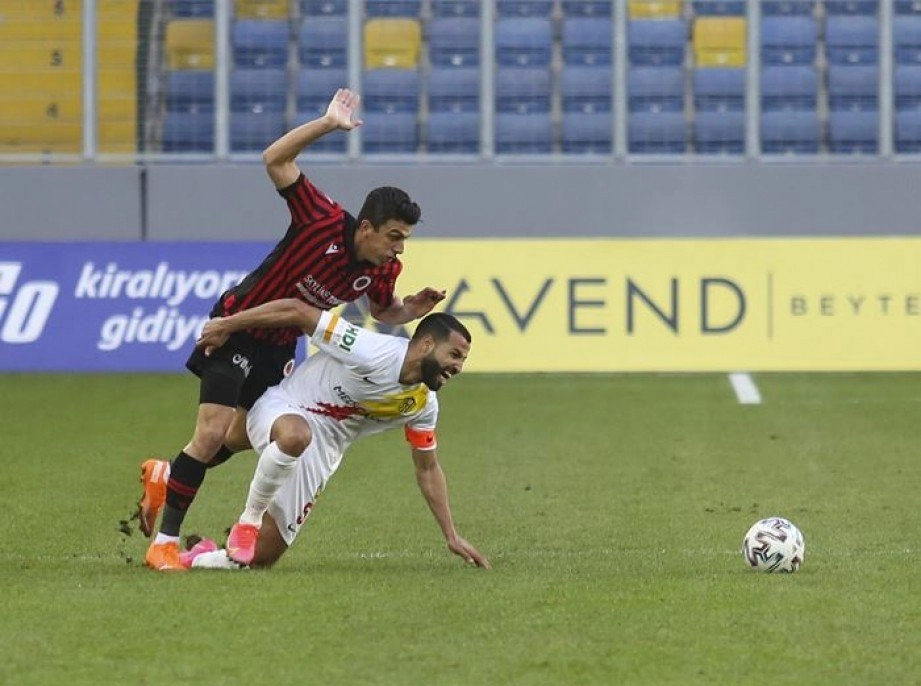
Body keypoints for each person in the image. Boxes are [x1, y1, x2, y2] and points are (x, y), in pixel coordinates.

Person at [141, 88, 446, 572]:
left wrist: (409, 309)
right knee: (212, 431)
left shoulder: (384, 268)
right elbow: (275, 159)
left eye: (405, 240)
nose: (399, 249)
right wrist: (327, 123)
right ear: (365, 227)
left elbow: (383, 311)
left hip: (281, 345)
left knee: (238, 437)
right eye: (394, 237)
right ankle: (164, 543)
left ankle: (166, 475)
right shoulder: (321, 218)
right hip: (238, 324)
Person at [174, 297, 490, 571]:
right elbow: (298, 310)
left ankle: (199, 555)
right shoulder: (370, 350)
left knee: (261, 559)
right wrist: (227, 324)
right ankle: (248, 521)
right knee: (293, 435)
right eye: (454, 355)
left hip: (324, 450)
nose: (458, 367)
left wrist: (451, 535)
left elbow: (428, 469)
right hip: (286, 406)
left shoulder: (422, 405)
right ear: (427, 345)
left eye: (462, 360)